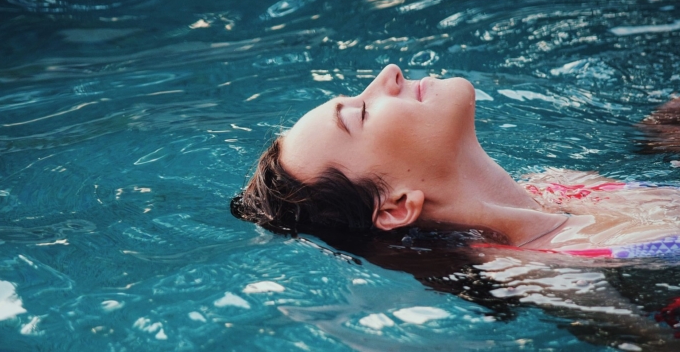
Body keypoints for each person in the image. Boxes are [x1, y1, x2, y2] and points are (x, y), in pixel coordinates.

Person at [231, 64, 680, 256]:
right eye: (362, 113)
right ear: (394, 207)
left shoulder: (558, 184)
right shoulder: (548, 270)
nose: (389, 73)